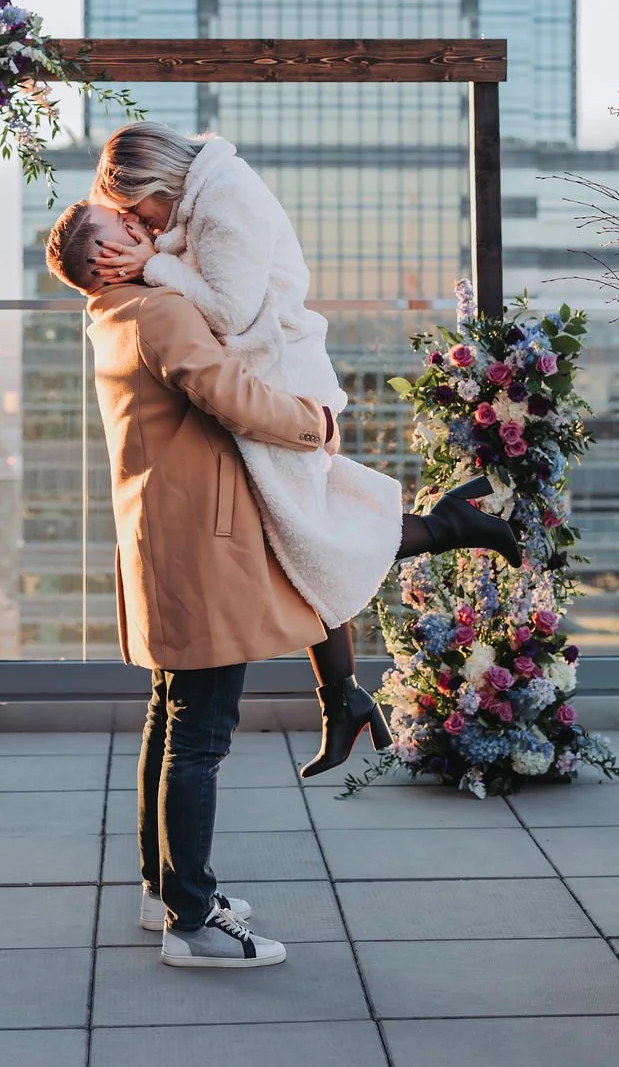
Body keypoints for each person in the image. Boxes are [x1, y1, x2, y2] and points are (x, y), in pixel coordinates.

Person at [45, 197, 519, 969]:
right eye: (120, 229)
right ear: (99, 260)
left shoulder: (109, 314)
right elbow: (228, 389)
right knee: (197, 735)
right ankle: (192, 924)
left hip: (169, 542)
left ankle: (164, 889)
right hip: (201, 550)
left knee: (170, 720)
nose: (137, 227)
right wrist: (315, 424)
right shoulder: (154, 313)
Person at [89, 122, 521, 777]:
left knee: (311, 536)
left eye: (134, 212)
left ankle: (452, 526)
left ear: (157, 184)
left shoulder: (225, 199)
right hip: (262, 382)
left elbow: (229, 313)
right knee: (299, 539)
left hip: (283, 387)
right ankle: (342, 698)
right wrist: (145, 262)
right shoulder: (192, 199)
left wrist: (149, 265)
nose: (136, 223)